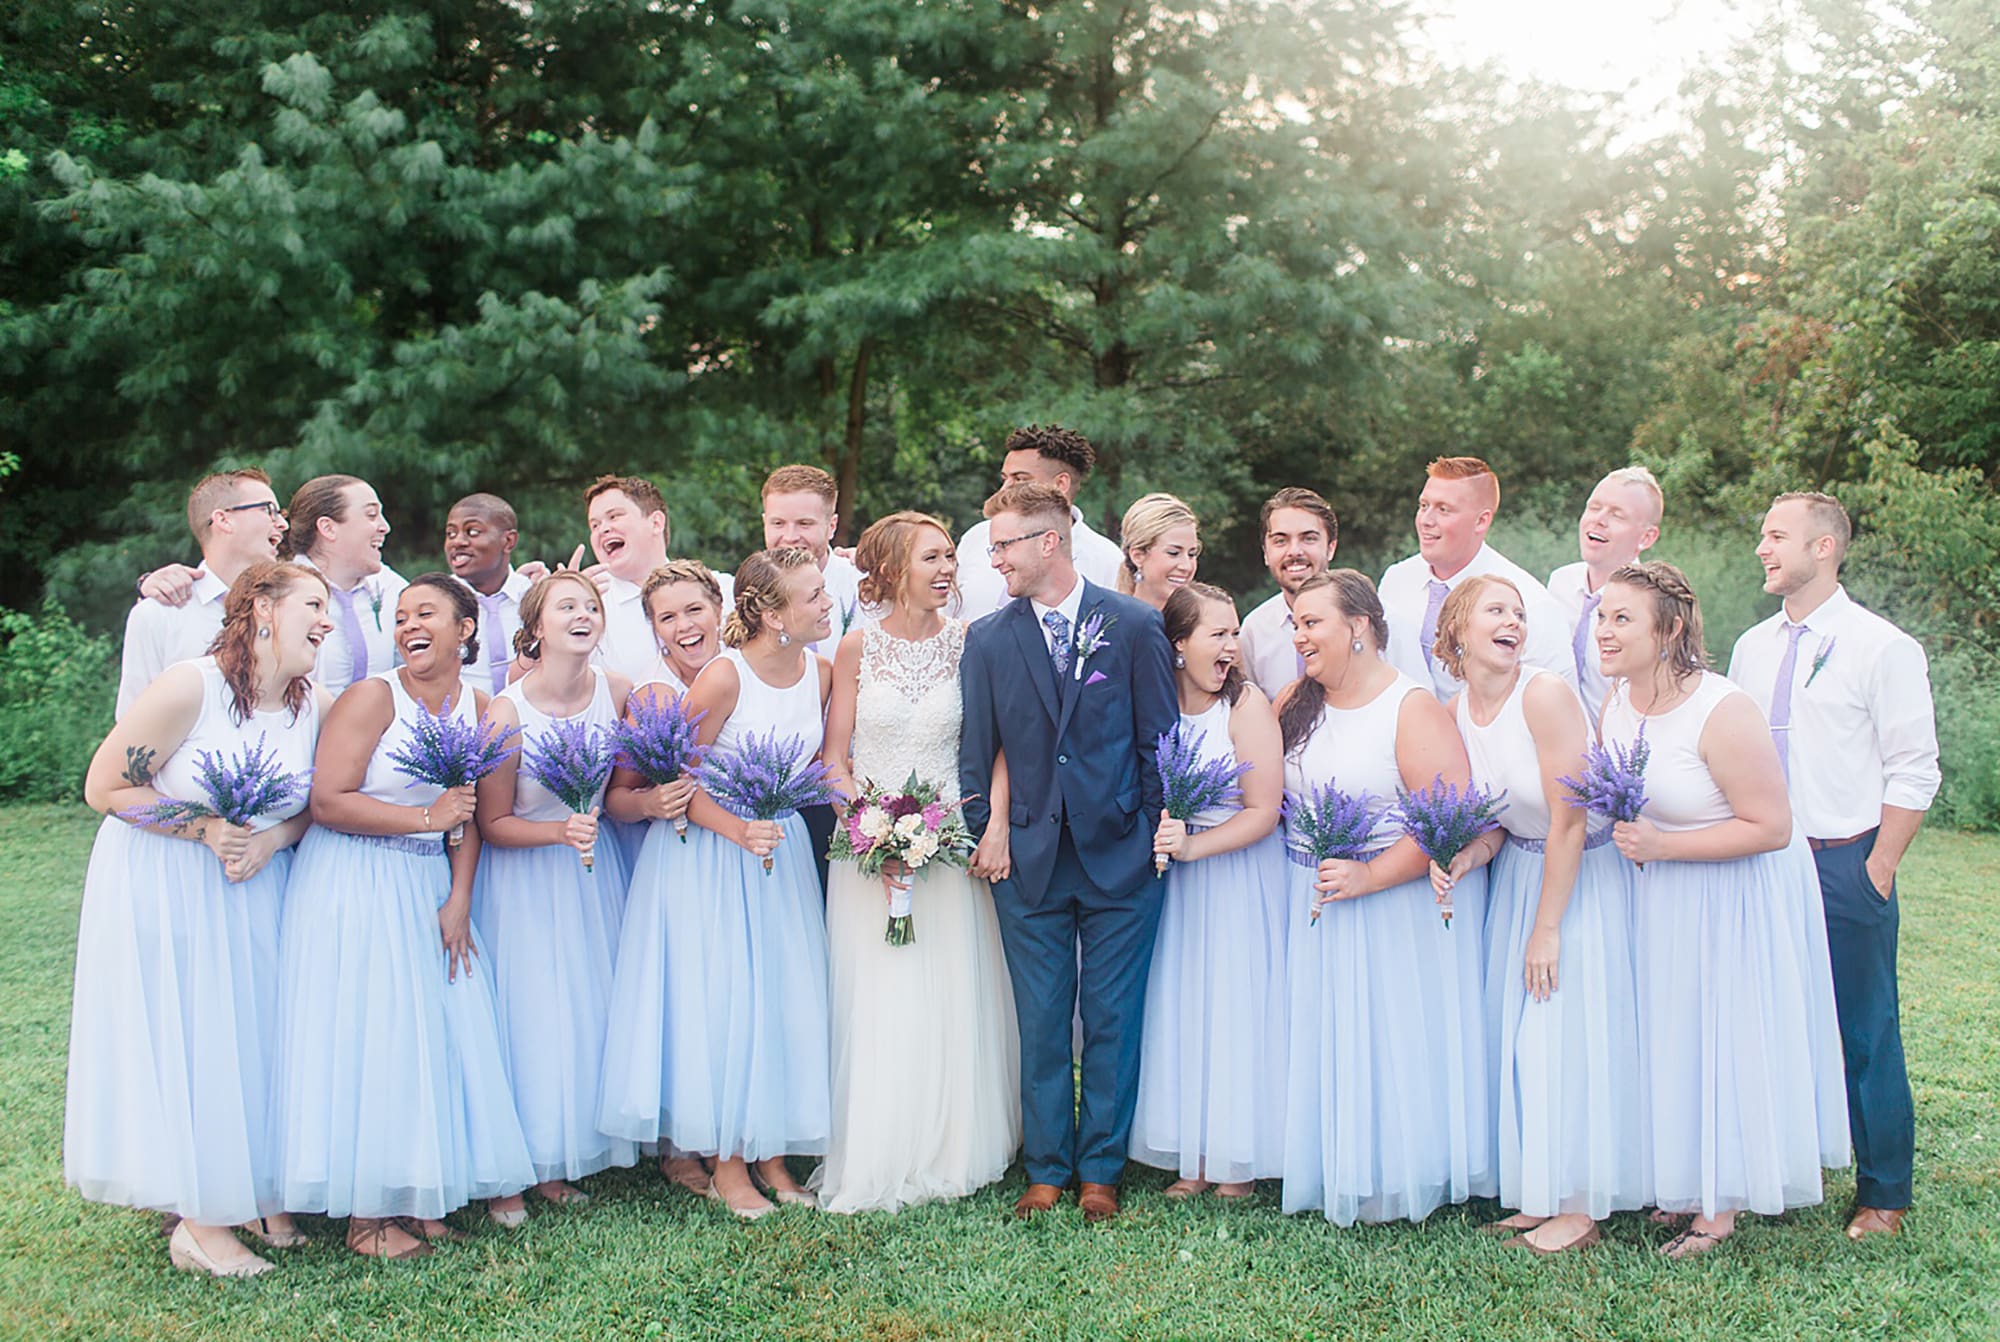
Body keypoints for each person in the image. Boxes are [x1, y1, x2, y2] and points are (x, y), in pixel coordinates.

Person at [68, 562, 331, 1277]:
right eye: (313, 604)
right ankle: (198, 1224)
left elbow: (320, 799)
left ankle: (248, 1194)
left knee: (248, 1041)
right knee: (192, 1037)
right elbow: (106, 785)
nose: (327, 621)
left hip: (258, 884)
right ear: (265, 612)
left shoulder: (314, 704)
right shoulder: (192, 684)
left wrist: (273, 839)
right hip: (168, 880)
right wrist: (205, 829)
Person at [274, 574, 533, 1259]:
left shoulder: (478, 706)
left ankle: (413, 1194)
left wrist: (460, 896)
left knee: (428, 1034)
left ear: (466, 629)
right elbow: (328, 800)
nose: (408, 626)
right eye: (400, 618)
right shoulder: (371, 697)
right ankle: (367, 1217)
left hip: (427, 879)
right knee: (372, 1032)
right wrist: (424, 817)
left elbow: (469, 813)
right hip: (355, 877)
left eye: (425, 614)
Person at [1597, 561, 1848, 1258]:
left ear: (1670, 628)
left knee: (1722, 1033)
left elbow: (1771, 826)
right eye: (1601, 617)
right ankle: (1681, 1181)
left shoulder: (1721, 707)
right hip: (1661, 893)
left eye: (1623, 618)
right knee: (1673, 1031)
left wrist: (1664, 846)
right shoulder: (1616, 700)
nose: (1605, 632)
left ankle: (1722, 1203)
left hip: (1733, 894)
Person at [958, 480, 1178, 1223]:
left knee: (1113, 1016)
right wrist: (991, 830)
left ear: (1047, 542)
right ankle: (1047, 1167)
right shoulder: (988, 639)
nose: (995, 562)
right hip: (1028, 862)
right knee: (1043, 1019)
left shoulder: (1135, 625)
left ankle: (1101, 1172)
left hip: (1122, 858)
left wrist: (1152, 831)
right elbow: (975, 751)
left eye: (1004, 546)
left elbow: (1160, 743)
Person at [1728, 492, 1939, 1241]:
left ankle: (1885, 1191)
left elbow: (1915, 770)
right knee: (1771, 1018)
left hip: (1844, 861)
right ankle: (1786, 1168)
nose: (1763, 547)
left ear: (1825, 548)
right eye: (1762, 534)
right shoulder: (1752, 647)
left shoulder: (1882, 646)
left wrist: (1878, 867)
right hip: (1760, 860)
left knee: (1864, 1028)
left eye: (1776, 535)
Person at [1427, 576, 1644, 1254]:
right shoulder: (1457, 710)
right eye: (1497, 610)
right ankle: (1537, 1191)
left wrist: (1547, 928)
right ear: (1458, 627)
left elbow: (1570, 821)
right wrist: (1466, 857)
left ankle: (1578, 1208)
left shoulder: (1544, 693)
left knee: (1565, 1033)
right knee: (1520, 1037)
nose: (1513, 622)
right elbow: (1498, 822)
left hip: (1579, 872)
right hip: (1518, 869)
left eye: (1519, 614)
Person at [811, 513, 1020, 1212]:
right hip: (867, 854)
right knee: (877, 994)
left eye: (948, 559)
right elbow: (834, 759)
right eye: (932, 557)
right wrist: (867, 831)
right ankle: (878, 1145)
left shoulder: (972, 644)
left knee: (948, 988)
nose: (946, 569)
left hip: (951, 846)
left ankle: (954, 1144)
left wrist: (988, 826)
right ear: (894, 567)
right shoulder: (854, 648)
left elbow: (998, 749)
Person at [1277, 570, 1494, 1226]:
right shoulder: (1295, 699)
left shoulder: (1411, 707)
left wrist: (1369, 877)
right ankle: (1333, 1161)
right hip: (1313, 892)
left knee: (1393, 1036)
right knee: (1330, 1033)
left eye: (1312, 622)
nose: (1300, 635)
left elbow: (1447, 821)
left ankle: (1399, 1171)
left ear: (1361, 628)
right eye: (1295, 624)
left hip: (1393, 905)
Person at [657, 548, 834, 1219]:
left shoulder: (818, 673)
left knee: (781, 999)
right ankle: (729, 1163)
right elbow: (675, 782)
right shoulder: (722, 679)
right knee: (729, 1005)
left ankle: (773, 1155)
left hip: (780, 852)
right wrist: (738, 832)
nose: (826, 604)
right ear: (768, 611)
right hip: (716, 855)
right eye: (814, 595)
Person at [471, 571, 638, 1215]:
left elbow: (624, 787)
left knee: (582, 1013)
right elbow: (492, 822)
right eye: (566, 606)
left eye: (591, 605)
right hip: (524, 881)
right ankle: (509, 1170)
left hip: (593, 878)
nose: (583, 614)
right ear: (536, 627)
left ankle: (558, 1158)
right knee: (529, 1017)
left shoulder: (617, 693)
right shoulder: (506, 712)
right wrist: (556, 832)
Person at [1129, 582, 1288, 1197]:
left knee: (1233, 1007)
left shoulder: (1245, 706)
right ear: (1178, 646)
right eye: (1217, 634)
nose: (1232, 646)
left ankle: (1236, 1160)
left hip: (1235, 876)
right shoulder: (1158, 704)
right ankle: (1194, 1152)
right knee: (1184, 1005)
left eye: (1234, 632)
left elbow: (1264, 810)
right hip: (1175, 885)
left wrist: (1194, 843)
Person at [599, 560, 726, 1197]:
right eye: (666, 618)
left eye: (693, 610)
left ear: (719, 608)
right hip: (677, 861)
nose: (683, 626)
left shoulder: (744, 675)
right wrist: (650, 803)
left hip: (742, 858)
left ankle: (735, 1124)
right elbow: (617, 799)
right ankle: (679, 1142)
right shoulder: (652, 699)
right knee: (685, 991)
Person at [1378, 457, 1574, 701]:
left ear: (1481, 521)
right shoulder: (1395, 580)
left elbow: (1558, 704)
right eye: (1423, 505)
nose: (1426, 520)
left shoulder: (1531, 603)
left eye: (1443, 509)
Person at [118, 470, 290, 717]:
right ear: (223, 520)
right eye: (268, 510)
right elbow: (132, 720)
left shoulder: (290, 607)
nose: (283, 524)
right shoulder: (157, 614)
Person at [953, 425, 1124, 620]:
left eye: (1020, 478)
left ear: (1061, 484)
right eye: (1004, 478)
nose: (1004, 488)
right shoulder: (975, 538)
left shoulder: (1107, 560)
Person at [584, 474, 732, 682]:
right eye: (595, 525)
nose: (604, 529)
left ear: (656, 522)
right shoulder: (589, 611)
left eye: (614, 516)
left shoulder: (724, 589)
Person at [1547, 467, 1664, 714]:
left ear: (1647, 537)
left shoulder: (1656, 605)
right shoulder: (1560, 583)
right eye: (1593, 507)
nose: (1598, 520)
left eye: (1617, 515)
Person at [278, 474, 407, 696]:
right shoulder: (280, 592)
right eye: (371, 515)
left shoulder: (392, 588)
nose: (384, 527)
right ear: (328, 528)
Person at [1237, 488, 1338, 701]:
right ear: (1266, 553)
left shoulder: (1374, 619)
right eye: (1280, 541)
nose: (1294, 552)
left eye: (1308, 538)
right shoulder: (1254, 630)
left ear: (1330, 548)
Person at [762, 464, 867, 658]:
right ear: (764, 523)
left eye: (804, 524)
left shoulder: (863, 588)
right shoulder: (745, 591)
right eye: (778, 523)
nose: (790, 537)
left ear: (831, 527)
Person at [446, 492, 535, 696]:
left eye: (473, 532)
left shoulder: (535, 597)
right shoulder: (437, 601)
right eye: (450, 533)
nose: (457, 541)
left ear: (508, 541)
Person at [1116, 493, 1201, 610]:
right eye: (1173, 553)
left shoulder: (1205, 622)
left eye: (1192, 554)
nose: (1186, 567)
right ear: (1138, 556)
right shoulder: (1112, 620)